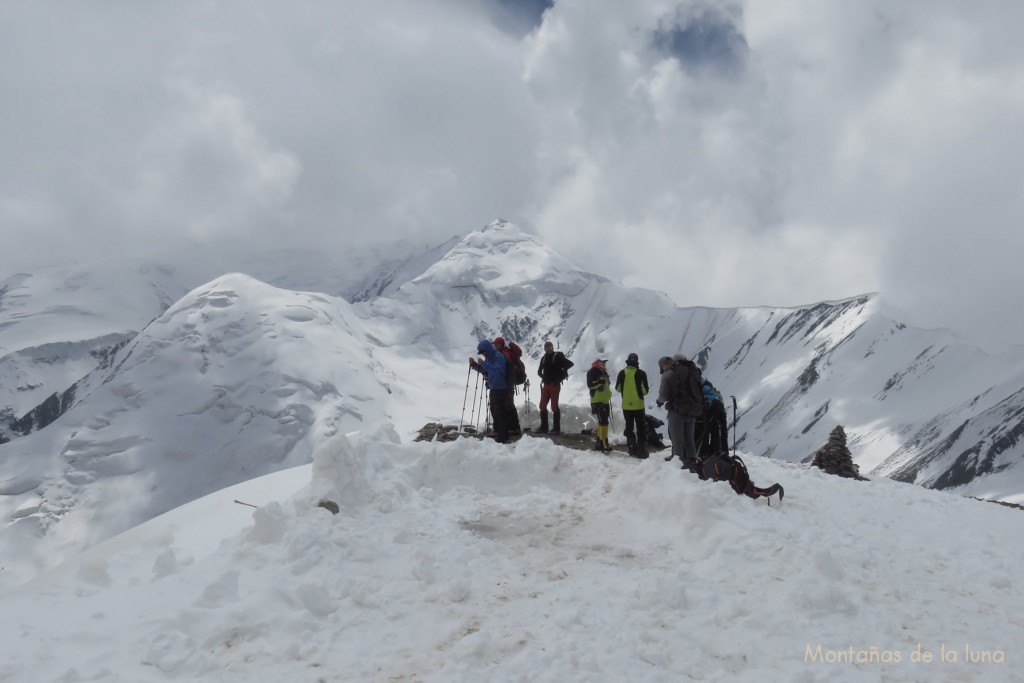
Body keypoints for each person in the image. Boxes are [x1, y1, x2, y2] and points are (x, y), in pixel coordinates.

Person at [656, 354, 704, 470]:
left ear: (663, 364)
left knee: (677, 439)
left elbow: (664, 395)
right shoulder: (691, 371)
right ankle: (692, 461)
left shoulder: (668, 375)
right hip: (692, 410)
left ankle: (678, 465)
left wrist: (659, 402)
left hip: (676, 411)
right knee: (689, 439)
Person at [469, 339, 511, 443]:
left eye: (483, 352)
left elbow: (496, 371)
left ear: (487, 349)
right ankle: (502, 433)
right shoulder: (489, 357)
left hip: (501, 388)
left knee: (500, 412)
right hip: (494, 387)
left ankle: (503, 436)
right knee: (495, 411)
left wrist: (484, 364)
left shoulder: (498, 357)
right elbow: (486, 371)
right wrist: (474, 365)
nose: (483, 354)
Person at [615, 353, 649, 459]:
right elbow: (645, 390)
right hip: (638, 405)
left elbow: (618, 389)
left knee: (629, 427)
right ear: (637, 362)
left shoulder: (621, 373)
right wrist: (638, 393)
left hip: (626, 405)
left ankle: (631, 450)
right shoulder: (641, 373)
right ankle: (641, 452)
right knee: (640, 428)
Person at [536, 340, 573, 434]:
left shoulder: (558, 355)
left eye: (550, 346)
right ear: (544, 348)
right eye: (546, 346)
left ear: (553, 347)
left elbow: (570, 364)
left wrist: (559, 374)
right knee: (542, 406)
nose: (548, 347)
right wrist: (545, 377)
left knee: (554, 406)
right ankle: (544, 427)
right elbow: (539, 371)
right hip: (547, 385)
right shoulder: (544, 358)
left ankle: (556, 429)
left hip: (554, 385)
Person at [492, 337, 523, 436]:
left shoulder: (508, 353)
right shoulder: (500, 354)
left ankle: (513, 428)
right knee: (506, 405)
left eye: (496, 344)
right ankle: (511, 427)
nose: (494, 346)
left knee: (507, 405)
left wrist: (511, 344)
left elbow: (519, 353)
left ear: (500, 344)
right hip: (505, 383)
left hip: (507, 384)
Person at [587, 355, 613, 452]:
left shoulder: (603, 371)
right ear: (597, 361)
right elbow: (590, 385)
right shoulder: (592, 371)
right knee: (603, 421)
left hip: (604, 400)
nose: (604, 363)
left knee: (604, 421)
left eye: (605, 362)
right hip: (597, 400)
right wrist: (600, 382)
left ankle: (600, 442)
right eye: (602, 361)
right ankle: (603, 443)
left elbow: (606, 384)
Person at [701, 376, 729, 455]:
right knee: (715, 434)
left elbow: (717, 397)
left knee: (714, 433)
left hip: (714, 413)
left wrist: (705, 398)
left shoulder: (705, 387)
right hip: (715, 412)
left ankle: (715, 453)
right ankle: (716, 452)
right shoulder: (704, 385)